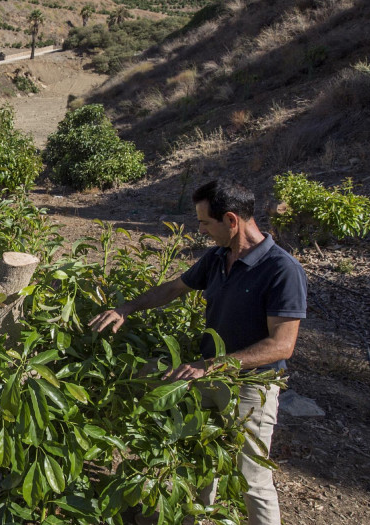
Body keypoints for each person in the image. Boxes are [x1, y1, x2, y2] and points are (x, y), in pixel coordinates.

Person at [88, 179, 306, 525]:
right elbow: (175, 288)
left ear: (231, 220)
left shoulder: (282, 270)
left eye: (205, 222)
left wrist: (211, 366)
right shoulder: (219, 257)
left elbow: (282, 345)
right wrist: (126, 309)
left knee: (252, 478)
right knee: (199, 458)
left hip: (250, 387)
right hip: (206, 373)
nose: (201, 230)